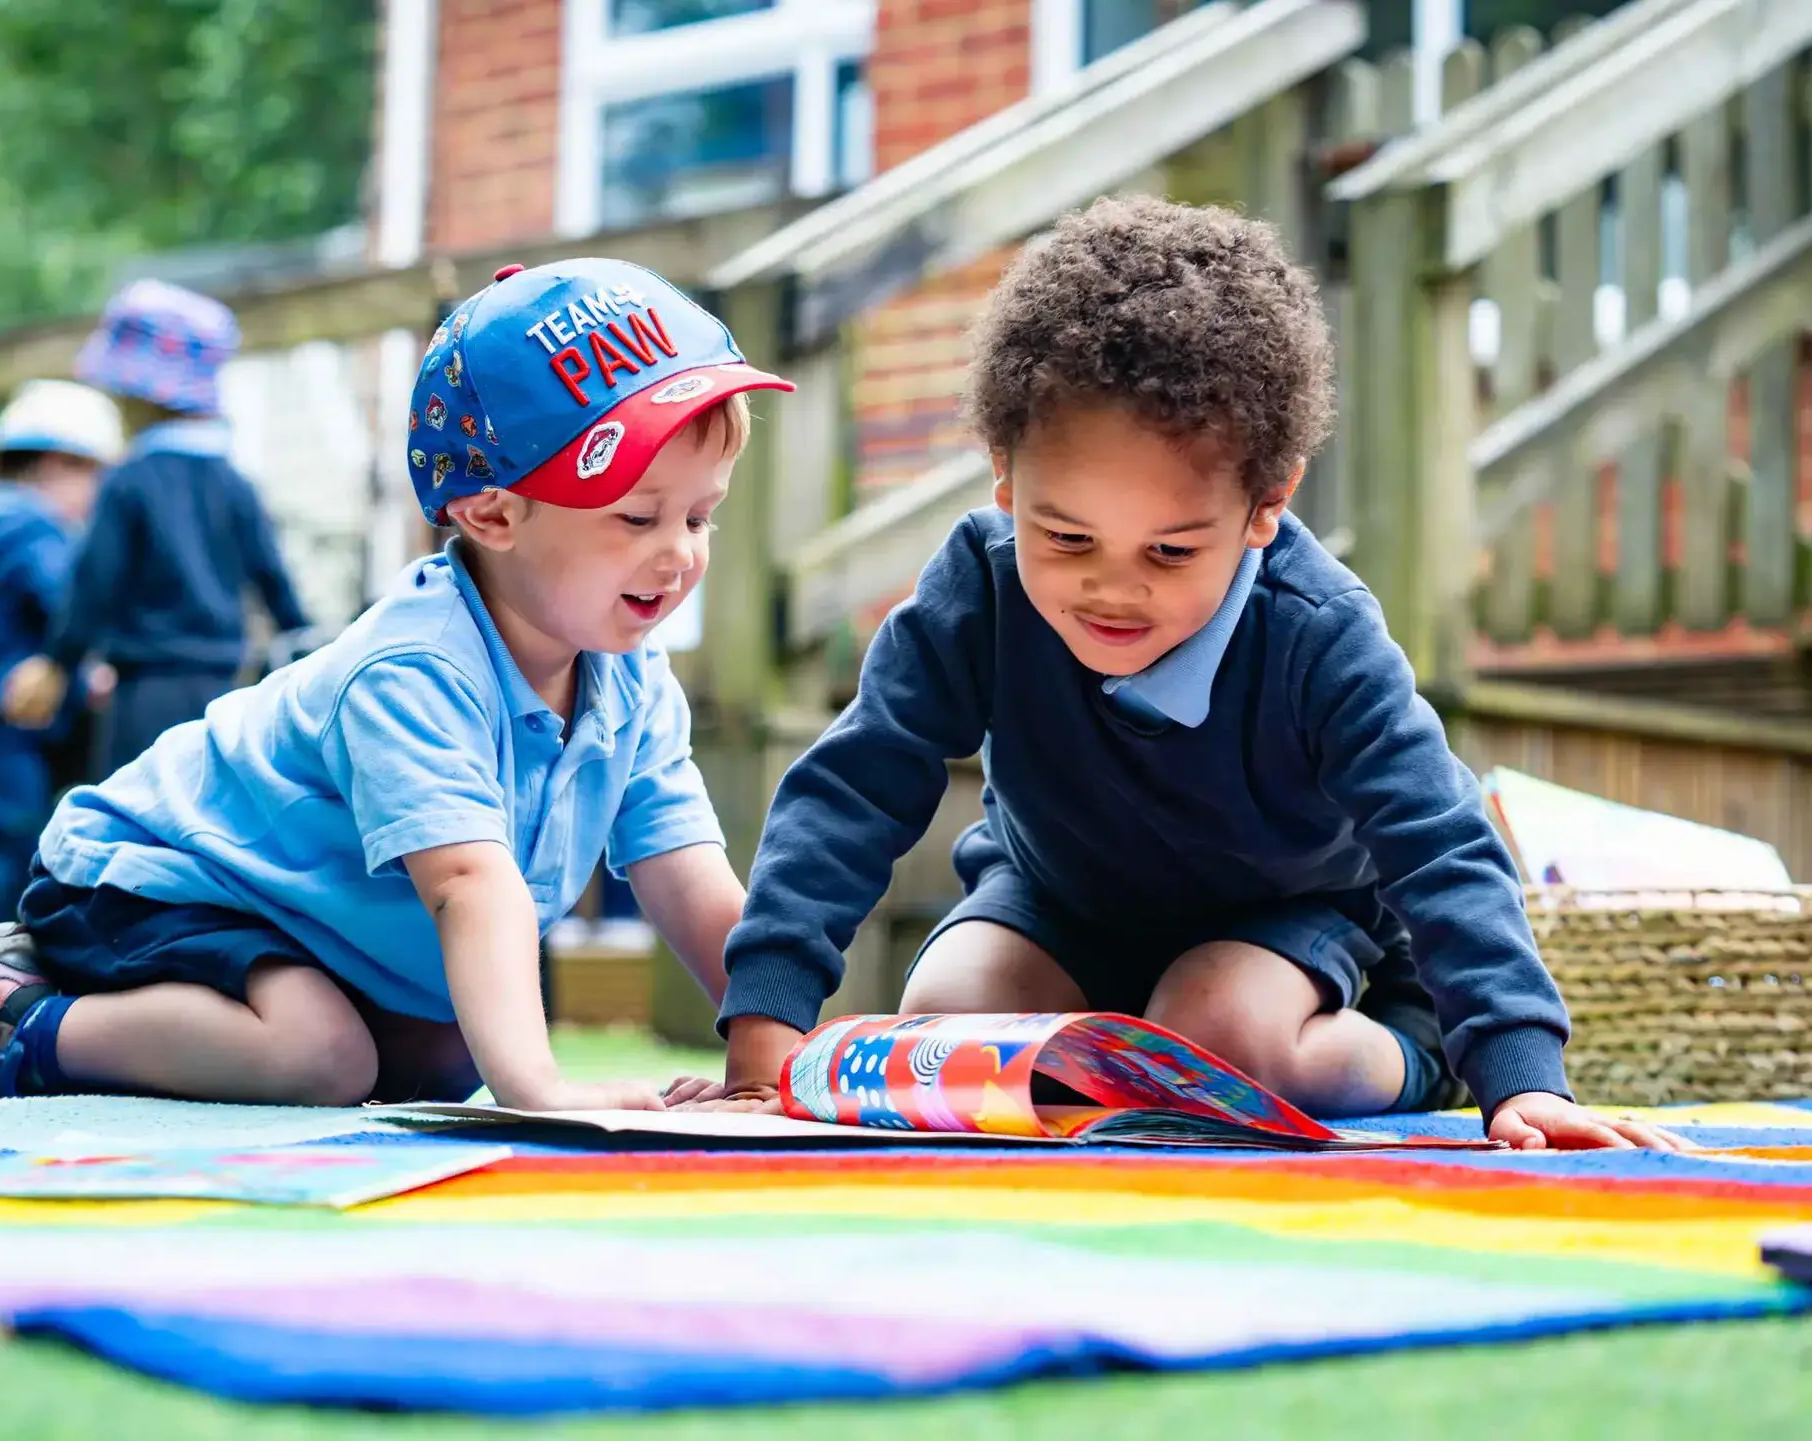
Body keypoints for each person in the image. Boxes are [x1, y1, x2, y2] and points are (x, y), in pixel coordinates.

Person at [699, 197, 1684, 1152]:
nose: (1111, 588)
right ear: (1005, 473)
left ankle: (1409, 1056)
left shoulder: (1320, 633)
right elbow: (856, 786)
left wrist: (1520, 1071)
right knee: (947, 1019)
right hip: (1061, 898)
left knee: (1214, 1037)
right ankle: (1117, 1049)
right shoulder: (981, 586)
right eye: (1066, 534)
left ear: (1265, 504)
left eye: (1169, 551)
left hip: (1287, 925)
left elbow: (1440, 843)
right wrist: (765, 1033)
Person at [0, 259, 789, 1110]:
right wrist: (540, 1087)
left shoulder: (632, 679)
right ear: (492, 512)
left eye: (701, 515)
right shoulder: (419, 668)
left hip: (302, 925)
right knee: (321, 1056)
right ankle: (7, 1022)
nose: (680, 553)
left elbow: (691, 880)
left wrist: (769, 1050)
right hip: (155, 879)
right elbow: (472, 882)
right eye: (638, 516)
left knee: (441, 1061)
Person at [1, 279, 311, 774]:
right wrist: (307, 645)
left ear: (144, 395)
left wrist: (57, 662)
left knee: (137, 823)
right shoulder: (234, 483)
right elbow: (274, 581)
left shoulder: (130, 481)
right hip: (226, 689)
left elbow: (94, 582)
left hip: (143, 691)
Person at [0, 380, 123, 942]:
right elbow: (66, 606)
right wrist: (92, 668)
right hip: (3, 717)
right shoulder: (35, 529)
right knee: (11, 849)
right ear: (58, 465)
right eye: (95, 477)